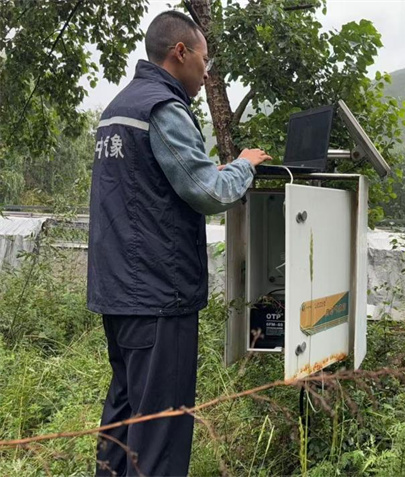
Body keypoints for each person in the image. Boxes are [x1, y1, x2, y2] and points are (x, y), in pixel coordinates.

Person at [87, 10, 270, 476]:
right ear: (180, 52)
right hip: (158, 295)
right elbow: (209, 192)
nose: (206, 73)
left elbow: (146, 188)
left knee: (125, 414)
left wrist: (214, 170)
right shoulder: (163, 107)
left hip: (118, 291)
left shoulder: (118, 108)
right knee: (160, 432)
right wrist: (244, 164)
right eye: (204, 60)